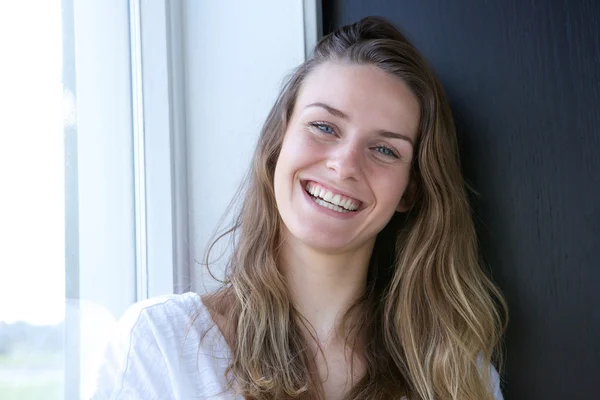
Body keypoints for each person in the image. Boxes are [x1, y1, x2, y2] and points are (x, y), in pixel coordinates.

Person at [91, 16, 507, 400]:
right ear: (279, 141)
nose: (344, 165)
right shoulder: (161, 344)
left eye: (383, 149)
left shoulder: (454, 375)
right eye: (324, 127)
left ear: (410, 191)